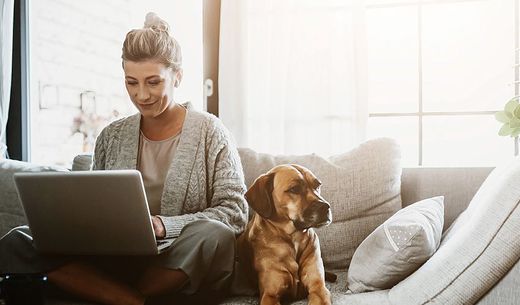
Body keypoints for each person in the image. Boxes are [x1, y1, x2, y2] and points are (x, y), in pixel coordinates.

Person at [0, 12, 248, 305]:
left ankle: (113, 295)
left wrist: (165, 225)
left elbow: (234, 211)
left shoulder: (210, 131)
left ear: (177, 76)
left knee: (214, 235)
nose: (142, 95)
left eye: (153, 82)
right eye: (132, 82)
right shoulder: (111, 135)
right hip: (116, 259)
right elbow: (94, 205)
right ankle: (134, 300)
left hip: (176, 259)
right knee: (18, 239)